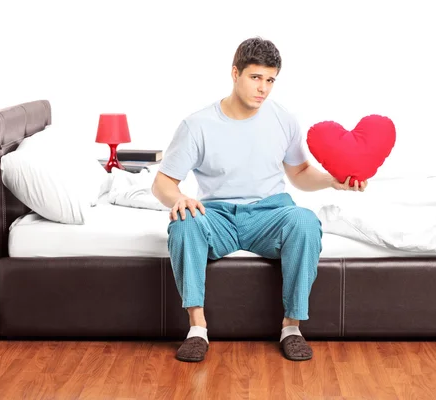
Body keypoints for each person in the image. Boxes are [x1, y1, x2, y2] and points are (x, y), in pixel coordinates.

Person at [152, 37, 368, 363]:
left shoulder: (283, 119)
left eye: (270, 80)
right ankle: (197, 329)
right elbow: (162, 183)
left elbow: (299, 173)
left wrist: (331, 181)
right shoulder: (197, 125)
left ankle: (291, 327)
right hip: (218, 215)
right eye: (255, 77)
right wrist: (179, 197)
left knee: (305, 221)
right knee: (183, 224)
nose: (263, 88)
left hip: (270, 212)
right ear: (235, 73)